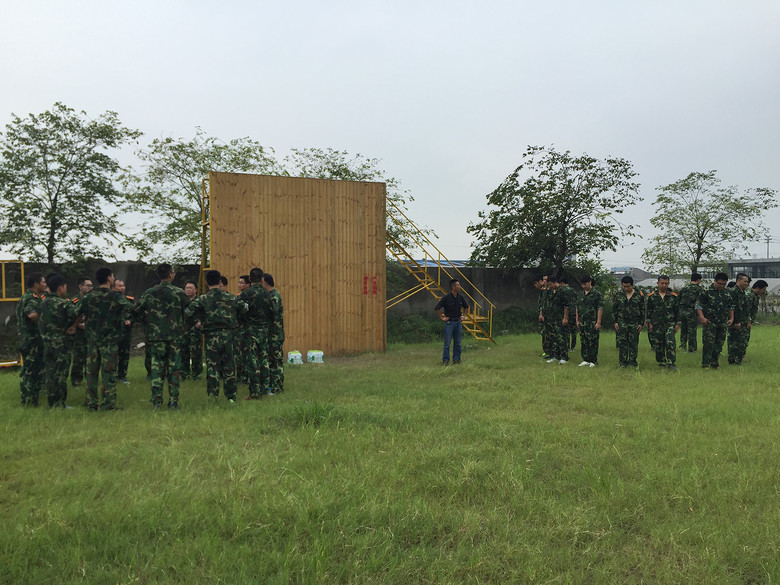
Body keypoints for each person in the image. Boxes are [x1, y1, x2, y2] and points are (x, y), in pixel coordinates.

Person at [185, 270, 248, 402]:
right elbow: (245, 309)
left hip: (211, 337)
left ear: (207, 282)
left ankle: (213, 396)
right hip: (229, 336)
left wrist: (200, 320)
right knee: (229, 366)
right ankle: (231, 397)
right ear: (220, 282)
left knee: (212, 366)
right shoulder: (231, 297)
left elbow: (188, 312)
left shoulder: (202, 299)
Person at [133, 263, 190, 408]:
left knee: (157, 368)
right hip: (175, 337)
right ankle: (173, 401)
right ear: (171, 274)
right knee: (174, 368)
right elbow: (190, 311)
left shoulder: (149, 292)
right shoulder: (179, 292)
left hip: (156, 337)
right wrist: (183, 324)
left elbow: (137, 311)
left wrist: (148, 323)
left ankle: (157, 401)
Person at [80, 267, 133, 411]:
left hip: (92, 341)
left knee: (91, 373)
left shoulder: (89, 297)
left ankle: (91, 403)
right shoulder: (116, 297)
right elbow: (131, 309)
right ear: (109, 278)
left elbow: (77, 313)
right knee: (108, 373)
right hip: (109, 342)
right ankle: (108, 404)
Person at [38, 273, 81, 407]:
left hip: (47, 342)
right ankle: (60, 403)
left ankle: (52, 402)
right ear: (60, 287)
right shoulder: (63, 303)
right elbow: (77, 313)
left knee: (50, 373)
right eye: (65, 286)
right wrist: (74, 325)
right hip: (61, 344)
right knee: (61, 373)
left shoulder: (44, 302)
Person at [238, 268, 272, 399]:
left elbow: (239, 310)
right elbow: (272, 311)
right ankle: (265, 389)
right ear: (262, 279)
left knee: (252, 361)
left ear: (250, 280)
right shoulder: (267, 294)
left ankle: (254, 392)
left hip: (249, 332)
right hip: (264, 331)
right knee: (264, 359)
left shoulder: (246, 294)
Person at [15, 272, 46, 406]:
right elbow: (32, 315)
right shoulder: (32, 298)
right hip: (31, 341)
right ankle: (28, 402)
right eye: (43, 282)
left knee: (32, 370)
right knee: (30, 371)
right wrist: (45, 315)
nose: (45, 285)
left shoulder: (25, 296)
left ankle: (31, 400)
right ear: (36, 284)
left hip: (27, 339)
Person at [696, 272, 734, 369]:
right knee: (708, 344)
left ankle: (714, 363)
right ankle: (705, 364)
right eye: (719, 283)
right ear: (715, 281)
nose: (721, 286)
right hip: (710, 322)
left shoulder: (726, 293)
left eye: (723, 284)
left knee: (719, 344)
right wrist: (702, 317)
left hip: (722, 322)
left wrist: (731, 318)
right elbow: (698, 305)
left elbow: (731, 306)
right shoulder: (706, 292)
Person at [645, 275, 680, 370]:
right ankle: (661, 361)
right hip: (657, 324)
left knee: (670, 342)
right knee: (659, 343)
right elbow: (649, 311)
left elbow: (677, 311)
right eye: (662, 283)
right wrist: (649, 323)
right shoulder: (652, 297)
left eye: (666, 283)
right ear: (658, 283)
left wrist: (677, 324)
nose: (664, 285)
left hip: (670, 323)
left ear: (668, 283)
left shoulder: (673, 296)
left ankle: (671, 362)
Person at [434, 279, 469, 365]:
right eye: (457, 285)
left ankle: (456, 360)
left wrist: (463, 316)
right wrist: (442, 317)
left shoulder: (460, 297)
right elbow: (437, 308)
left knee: (458, 343)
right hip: (449, 323)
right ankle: (446, 360)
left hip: (458, 322)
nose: (459, 287)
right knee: (447, 343)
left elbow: (466, 307)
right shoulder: (446, 298)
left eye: (459, 285)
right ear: (453, 287)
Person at [613, 275, 644, 368]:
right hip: (622, 322)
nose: (626, 288)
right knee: (622, 343)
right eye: (624, 286)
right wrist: (615, 321)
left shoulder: (639, 295)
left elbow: (642, 310)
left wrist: (641, 323)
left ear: (632, 285)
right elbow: (614, 309)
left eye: (628, 286)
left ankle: (633, 362)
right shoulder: (618, 295)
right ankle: (623, 362)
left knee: (633, 343)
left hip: (634, 322)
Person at [262, 273, 285, 394]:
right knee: (270, 361)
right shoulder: (269, 295)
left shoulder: (274, 295)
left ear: (265, 282)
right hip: (269, 334)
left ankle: (278, 387)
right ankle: (271, 386)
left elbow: (274, 309)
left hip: (275, 334)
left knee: (276, 362)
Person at [69, 276, 92, 386]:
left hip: (90, 332)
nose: (90, 288)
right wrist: (78, 324)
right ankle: (76, 380)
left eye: (91, 286)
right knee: (78, 358)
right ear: (80, 286)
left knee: (91, 358)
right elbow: (70, 317)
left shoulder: (92, 299)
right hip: (79, 333)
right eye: (88, 285)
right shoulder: (74, 301)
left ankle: (90, 379)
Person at [575, 274, 602, 367]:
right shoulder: (580, 294)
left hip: (592, 321)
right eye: (582, 285)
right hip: (582, 321)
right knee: (584, 340)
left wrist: (598, 322)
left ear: (590, 282)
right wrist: (577, 320)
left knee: (593, 341)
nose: (583, 286)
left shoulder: (597, 294)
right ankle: (585, 359)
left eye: (585, 284)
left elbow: (600, 308)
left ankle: (593, 360)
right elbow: (577, 308)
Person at [111, 278, 133, 383]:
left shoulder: (129, 300)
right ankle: (111, 376)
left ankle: (122, 375)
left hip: (126, 332)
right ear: (113, 287)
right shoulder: (110, 300)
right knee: (112, 355)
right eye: (119, 286)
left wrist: (130, 321)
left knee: (124, 355)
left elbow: (135, 313)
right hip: (113, 333)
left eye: (123, 285)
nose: (122, 288)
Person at [180, 280, 203, 381]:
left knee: (196, 352)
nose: (188, 290)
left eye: (190, 288)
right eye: (186, 288)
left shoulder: (200, 300)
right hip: (184, 329)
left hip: (195, 329)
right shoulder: (182, 301)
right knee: (183, 351)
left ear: (196, 290)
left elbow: (206, 313)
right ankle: (184, 373)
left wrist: (202, 321)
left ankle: (196, 374)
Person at [544, 276, 570, 364]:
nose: (549, 286)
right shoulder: (551, 292)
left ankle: (564, 357)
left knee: (561, 337)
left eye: (550, 284)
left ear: (555, 282)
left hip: (560, 318)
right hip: (552, 318)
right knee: (554, 338)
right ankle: (556, 356)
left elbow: (566, 306)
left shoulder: (563, 291)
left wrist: (565, 318)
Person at [727, 273, 751, 365]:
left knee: (742, 342)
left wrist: (748, 320)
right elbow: (732, 308)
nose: (747, 283)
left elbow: (745, 308)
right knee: (734, 341)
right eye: (745, 281)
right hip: (736, 321)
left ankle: (739, 359)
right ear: (738, 280)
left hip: (743, 321)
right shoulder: (733, 292)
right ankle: (733, 360)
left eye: (747, 282)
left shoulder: (743, 292)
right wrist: (736, 321)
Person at [678, 273, 703, 352]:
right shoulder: (699, 289)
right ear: (698, 280)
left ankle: (683, 346)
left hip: (682, 311)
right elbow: (702, 301)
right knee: (692, 330)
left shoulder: (684, 288)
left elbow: (678, 299)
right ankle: (692, 348)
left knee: (683, 329)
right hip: (692, 311)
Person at [235, 274, 251, 385]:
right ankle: (241, 377)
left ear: (248, 284)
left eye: (242, 283)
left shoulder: (247, 296)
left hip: (247, 328)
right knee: (239, 354)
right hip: (239, 329)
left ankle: (246, 377)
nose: (239, 284)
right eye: (239, 282)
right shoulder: (238, 296)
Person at [746, 279, 768, 351]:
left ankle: (741, 356)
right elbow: (747, 309)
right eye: (763, 289)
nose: (764, 292)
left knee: (745, 338)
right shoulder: (749, 295)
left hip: (748, 321)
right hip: (745, 321)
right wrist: (748, 321)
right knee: (742, 339)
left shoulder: (755, 296)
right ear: (758, 288)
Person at [533, 275, 551, 359]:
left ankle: (549, 351)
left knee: (547, 333)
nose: (544, 281)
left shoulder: (548, 290)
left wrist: (541, 314)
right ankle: (546, 351)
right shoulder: (543, 290)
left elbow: (544, 304)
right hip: (543, 314)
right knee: (544, 333)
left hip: (547, 315)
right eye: (543, 280)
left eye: (545, 280)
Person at [559, 277, 577, 352]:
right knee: (573, 331)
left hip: (566, 312)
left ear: (562, 283)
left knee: (566, 330)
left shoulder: (562, 290)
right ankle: (573, 347)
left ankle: (566, 346)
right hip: (573, 312)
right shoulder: (573, 290)